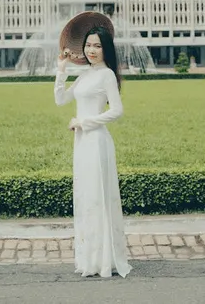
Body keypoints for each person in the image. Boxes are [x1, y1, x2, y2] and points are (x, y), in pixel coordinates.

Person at [54, 25, 132, 279]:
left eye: (97, 46)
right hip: (82, 143)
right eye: (89, 45)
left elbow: (117, 110)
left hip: (97, 140)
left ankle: (103, 259)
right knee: (86, 196)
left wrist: (84, 122)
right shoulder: (85, 75)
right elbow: (61, 100)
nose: (92, 50)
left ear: (105, 48)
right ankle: (89, 258)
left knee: (98, 197)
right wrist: (62, 70)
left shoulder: (107, 75)